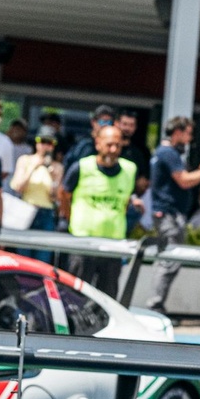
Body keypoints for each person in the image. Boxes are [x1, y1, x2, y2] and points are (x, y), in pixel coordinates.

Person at [146, 116, 200, 314]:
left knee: (171, 259)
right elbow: (184, 181)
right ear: (177, 132)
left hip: (170, 213)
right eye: (188, 133)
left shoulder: (166, 153)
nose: (190, 139)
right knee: (169, 259)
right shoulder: (168, 153)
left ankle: (156, 304)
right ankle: (155, 306)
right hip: (168, 214)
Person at [59, 125, 136, 297]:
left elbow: (125, 201)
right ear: (98, 144)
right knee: (76, 294)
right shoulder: (82, 167)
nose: (113, 149)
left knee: (108, 296)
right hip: (83, 242)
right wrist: (72, 218)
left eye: (118, 145)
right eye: (109, 145)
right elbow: (64, 195)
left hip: (113, 243)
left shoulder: (129, 170)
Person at [8, 127, 64, 261]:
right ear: (36, 142)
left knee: (43, 257)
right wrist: (33, 168)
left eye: (50, 143)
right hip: (26, 211)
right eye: (42, 141)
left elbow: (56, 198)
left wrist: (54, 179)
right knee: (23, 256)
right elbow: (17, 187)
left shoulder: (57, 167)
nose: (46, 146)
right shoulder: (25, 160)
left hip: (46, 214)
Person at [61, 104, 116, 172]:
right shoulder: (84, 145)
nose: (105, 125)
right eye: (102, 122)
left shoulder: (115, 147)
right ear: (93, 122)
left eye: (109, 122)